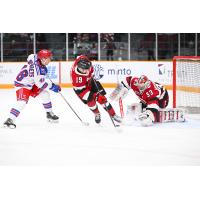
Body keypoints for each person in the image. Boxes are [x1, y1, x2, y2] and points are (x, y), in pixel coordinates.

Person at [3, 49, 61, 129]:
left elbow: (30, 57)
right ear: (43, 59)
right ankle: (9, 120)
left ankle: (49, 114)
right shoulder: (38, 71)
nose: (50, 59)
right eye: (49, 58)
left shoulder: (33, 57)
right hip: (22, 84)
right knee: (22, 102)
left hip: (31, 82)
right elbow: (42, 84)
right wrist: (53, 87)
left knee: (45, 94)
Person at [70, 55, 121, 124]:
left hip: (90, 82)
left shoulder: (82, 59)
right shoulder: (76, 78)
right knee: (91, 102)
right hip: (81, 90)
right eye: (83, 70)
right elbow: (83, 92)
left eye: (87, 69)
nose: (85, 71)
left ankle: (113, 115)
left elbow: (80, 56)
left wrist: (92, 73)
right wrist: (95, 96)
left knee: (103, 99)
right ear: (78, 67)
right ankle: (97, 113)